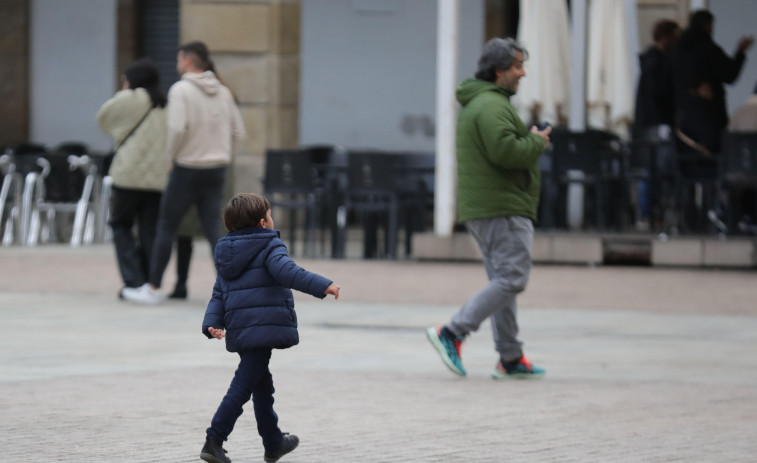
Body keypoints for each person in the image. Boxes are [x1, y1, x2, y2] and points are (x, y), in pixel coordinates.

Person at [426, 38, 551, 379]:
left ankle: (510, 357)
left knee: (502, 280)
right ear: (499, 71)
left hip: (488, 206)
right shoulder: (492, 105)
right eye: (517, 66)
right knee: (512, 278)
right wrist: (537, 142)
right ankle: (452, 332)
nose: (522, 73)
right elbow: (505, 152)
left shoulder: (480, 102)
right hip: (502, 206)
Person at [199, 193, 340, 463]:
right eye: (271, 215)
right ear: (263, 223)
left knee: (262, 386)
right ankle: (214, 439)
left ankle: (273, 442)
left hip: (242, 330)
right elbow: (288, 271)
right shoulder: (269, 245)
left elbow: (219, 293)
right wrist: (323, 285)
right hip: (261, 329)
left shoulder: (227, 253)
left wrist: (211, 323)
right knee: (242, 386)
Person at [122, 41, 245, 304]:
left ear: (187, 62)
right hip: (216, 169)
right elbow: (239, 132)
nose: (177, 64)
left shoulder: (181, 90)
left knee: (166, 225)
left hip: (187, 168)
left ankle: (153, 288)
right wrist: (224, 155)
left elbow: (177, 129)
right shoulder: (223, 92)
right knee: (215, 229)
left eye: (179, 59)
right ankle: (232, 289)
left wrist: (171, 158)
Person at [96, 58, 170, 299]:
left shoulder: (130, 97)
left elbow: (103, 119)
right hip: (158, 178)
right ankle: (149, 283)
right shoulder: (165, 101)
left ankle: (133, 281)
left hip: (128, 175)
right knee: (150, 229)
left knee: (121, 225)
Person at [671, 10, 753, 161]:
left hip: (681, 115)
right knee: (714, 158)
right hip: (709, 116)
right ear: (707, 26)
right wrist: (740, 52)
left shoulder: (677, 50)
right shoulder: (708, 48)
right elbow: (729, 75)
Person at [633, 19, 680, 230]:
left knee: (649, 171)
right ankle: (650, 213)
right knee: (656, 171)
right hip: (657, 123)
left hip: (647, 123)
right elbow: (658, 94)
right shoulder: (659, 63)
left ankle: (647, 213)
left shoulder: (650, 61)